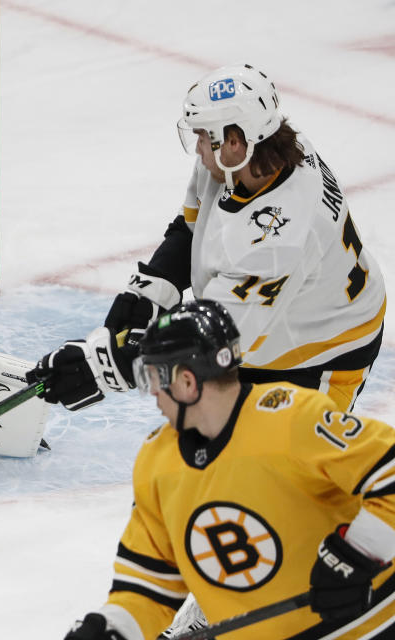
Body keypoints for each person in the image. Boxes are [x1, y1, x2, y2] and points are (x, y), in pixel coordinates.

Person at [31, 63, 385, 420]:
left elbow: (209, 343)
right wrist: (151, 292)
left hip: (322, 352)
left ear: (233, 141)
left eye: (203, 136)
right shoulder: (249, 157)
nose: (198, 148)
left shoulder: (276, 242)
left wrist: (101, 366)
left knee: (276, 467)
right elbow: (191, 228)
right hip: (271, 323)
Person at [59, 299, 395, 640]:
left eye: (152, 379)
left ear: (187, 382)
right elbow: (149, 585)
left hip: (373, 624)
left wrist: (358, 557)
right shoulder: (156, 461)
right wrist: (113, 629)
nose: (153, 395)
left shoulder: (290, 419)